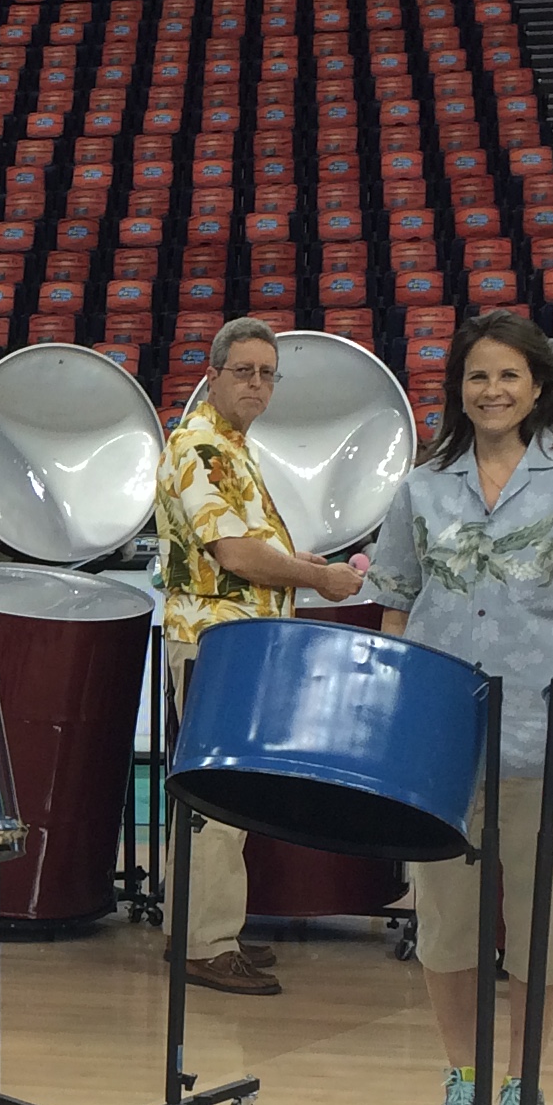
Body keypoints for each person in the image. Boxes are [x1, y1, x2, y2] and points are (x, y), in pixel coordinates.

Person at [366, 313, 553, 1105]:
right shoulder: (421, 487)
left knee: (541, 926)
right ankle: (462, 1073)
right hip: (442, 744)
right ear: (458, 390)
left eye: (507, 377)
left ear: (537, 388)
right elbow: (395, 599)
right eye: (476, 378)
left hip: (540, 734)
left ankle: (523, 1085)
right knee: (447, 923)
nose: (492, 392)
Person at [156, 318, 367, 998]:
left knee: (224, 796)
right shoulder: (202, 448)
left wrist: (295, 562)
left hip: (237, 637)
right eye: (243, 370)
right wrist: (318, 579)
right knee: (218, 799)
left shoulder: (231, 447)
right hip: (218, 639)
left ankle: (203, 928)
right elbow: (236, 556)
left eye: (267, 372)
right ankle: (202, 945)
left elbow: (249, 549)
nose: (256, 383)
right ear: (211, 375)